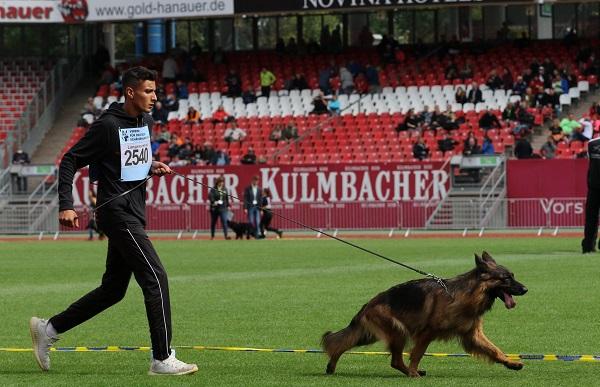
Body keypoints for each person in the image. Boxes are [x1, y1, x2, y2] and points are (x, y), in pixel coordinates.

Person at [29, 66, 197, 376]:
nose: (155, 97)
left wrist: (150, 165)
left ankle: (49, 328)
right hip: (116, 213)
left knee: (113, 290)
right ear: (131, 92)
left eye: (155, 91)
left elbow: (127, 163)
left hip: (133, 212)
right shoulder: (106, 125)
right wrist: (66, 205)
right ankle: (162, 358)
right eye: (148, 91)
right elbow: (69, 160)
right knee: (155, 277)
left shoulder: (144, 121)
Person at [582, 136, 600, 253]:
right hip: (594, 186)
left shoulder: (591, 144)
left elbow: (590, 162)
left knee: (591, 218)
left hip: (594, 186)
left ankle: (588, 246)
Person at [208, 176, 231, 240]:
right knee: (213, 222)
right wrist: (214, 201)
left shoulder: (225, 189)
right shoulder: (213, 189)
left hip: (223, 208)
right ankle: (212, 236)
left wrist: (228, 206)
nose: (221, 183)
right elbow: (210, 196)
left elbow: (226, 198)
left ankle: (226, 236)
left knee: (224, 221)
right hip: (215, 208)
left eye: (222, 182)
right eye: (220, 182)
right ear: (217, 182)